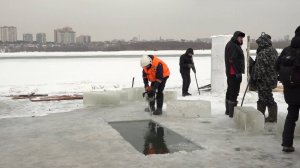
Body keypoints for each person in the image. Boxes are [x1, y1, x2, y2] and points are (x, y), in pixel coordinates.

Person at [277, 26, 300, 153]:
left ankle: (287, 144)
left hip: (290, 91)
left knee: (291, 116)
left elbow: (277, 65)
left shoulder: (286, 50)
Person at [252, 33, 278, 122]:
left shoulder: (262, 53)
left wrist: (255, 79)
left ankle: (264, 117)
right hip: (272, 79)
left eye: (259, 43)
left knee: (264, 98)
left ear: (263, 43)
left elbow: (259, 69)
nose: (258, 45)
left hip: (263, 80)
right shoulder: (274, 51)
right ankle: (272, 116)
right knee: (268, 96)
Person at [224, 31, 245, 118]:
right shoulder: (233, 46)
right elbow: (232, 60)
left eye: (242, 38)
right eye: (240, 38)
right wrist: (237, 72)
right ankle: (232, 113)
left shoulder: (232, 44)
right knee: (234, 92)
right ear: (236, 37)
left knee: (230, 91)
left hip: (231, 72)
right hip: (234, 73)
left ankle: (228, 111)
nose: (241, 39)